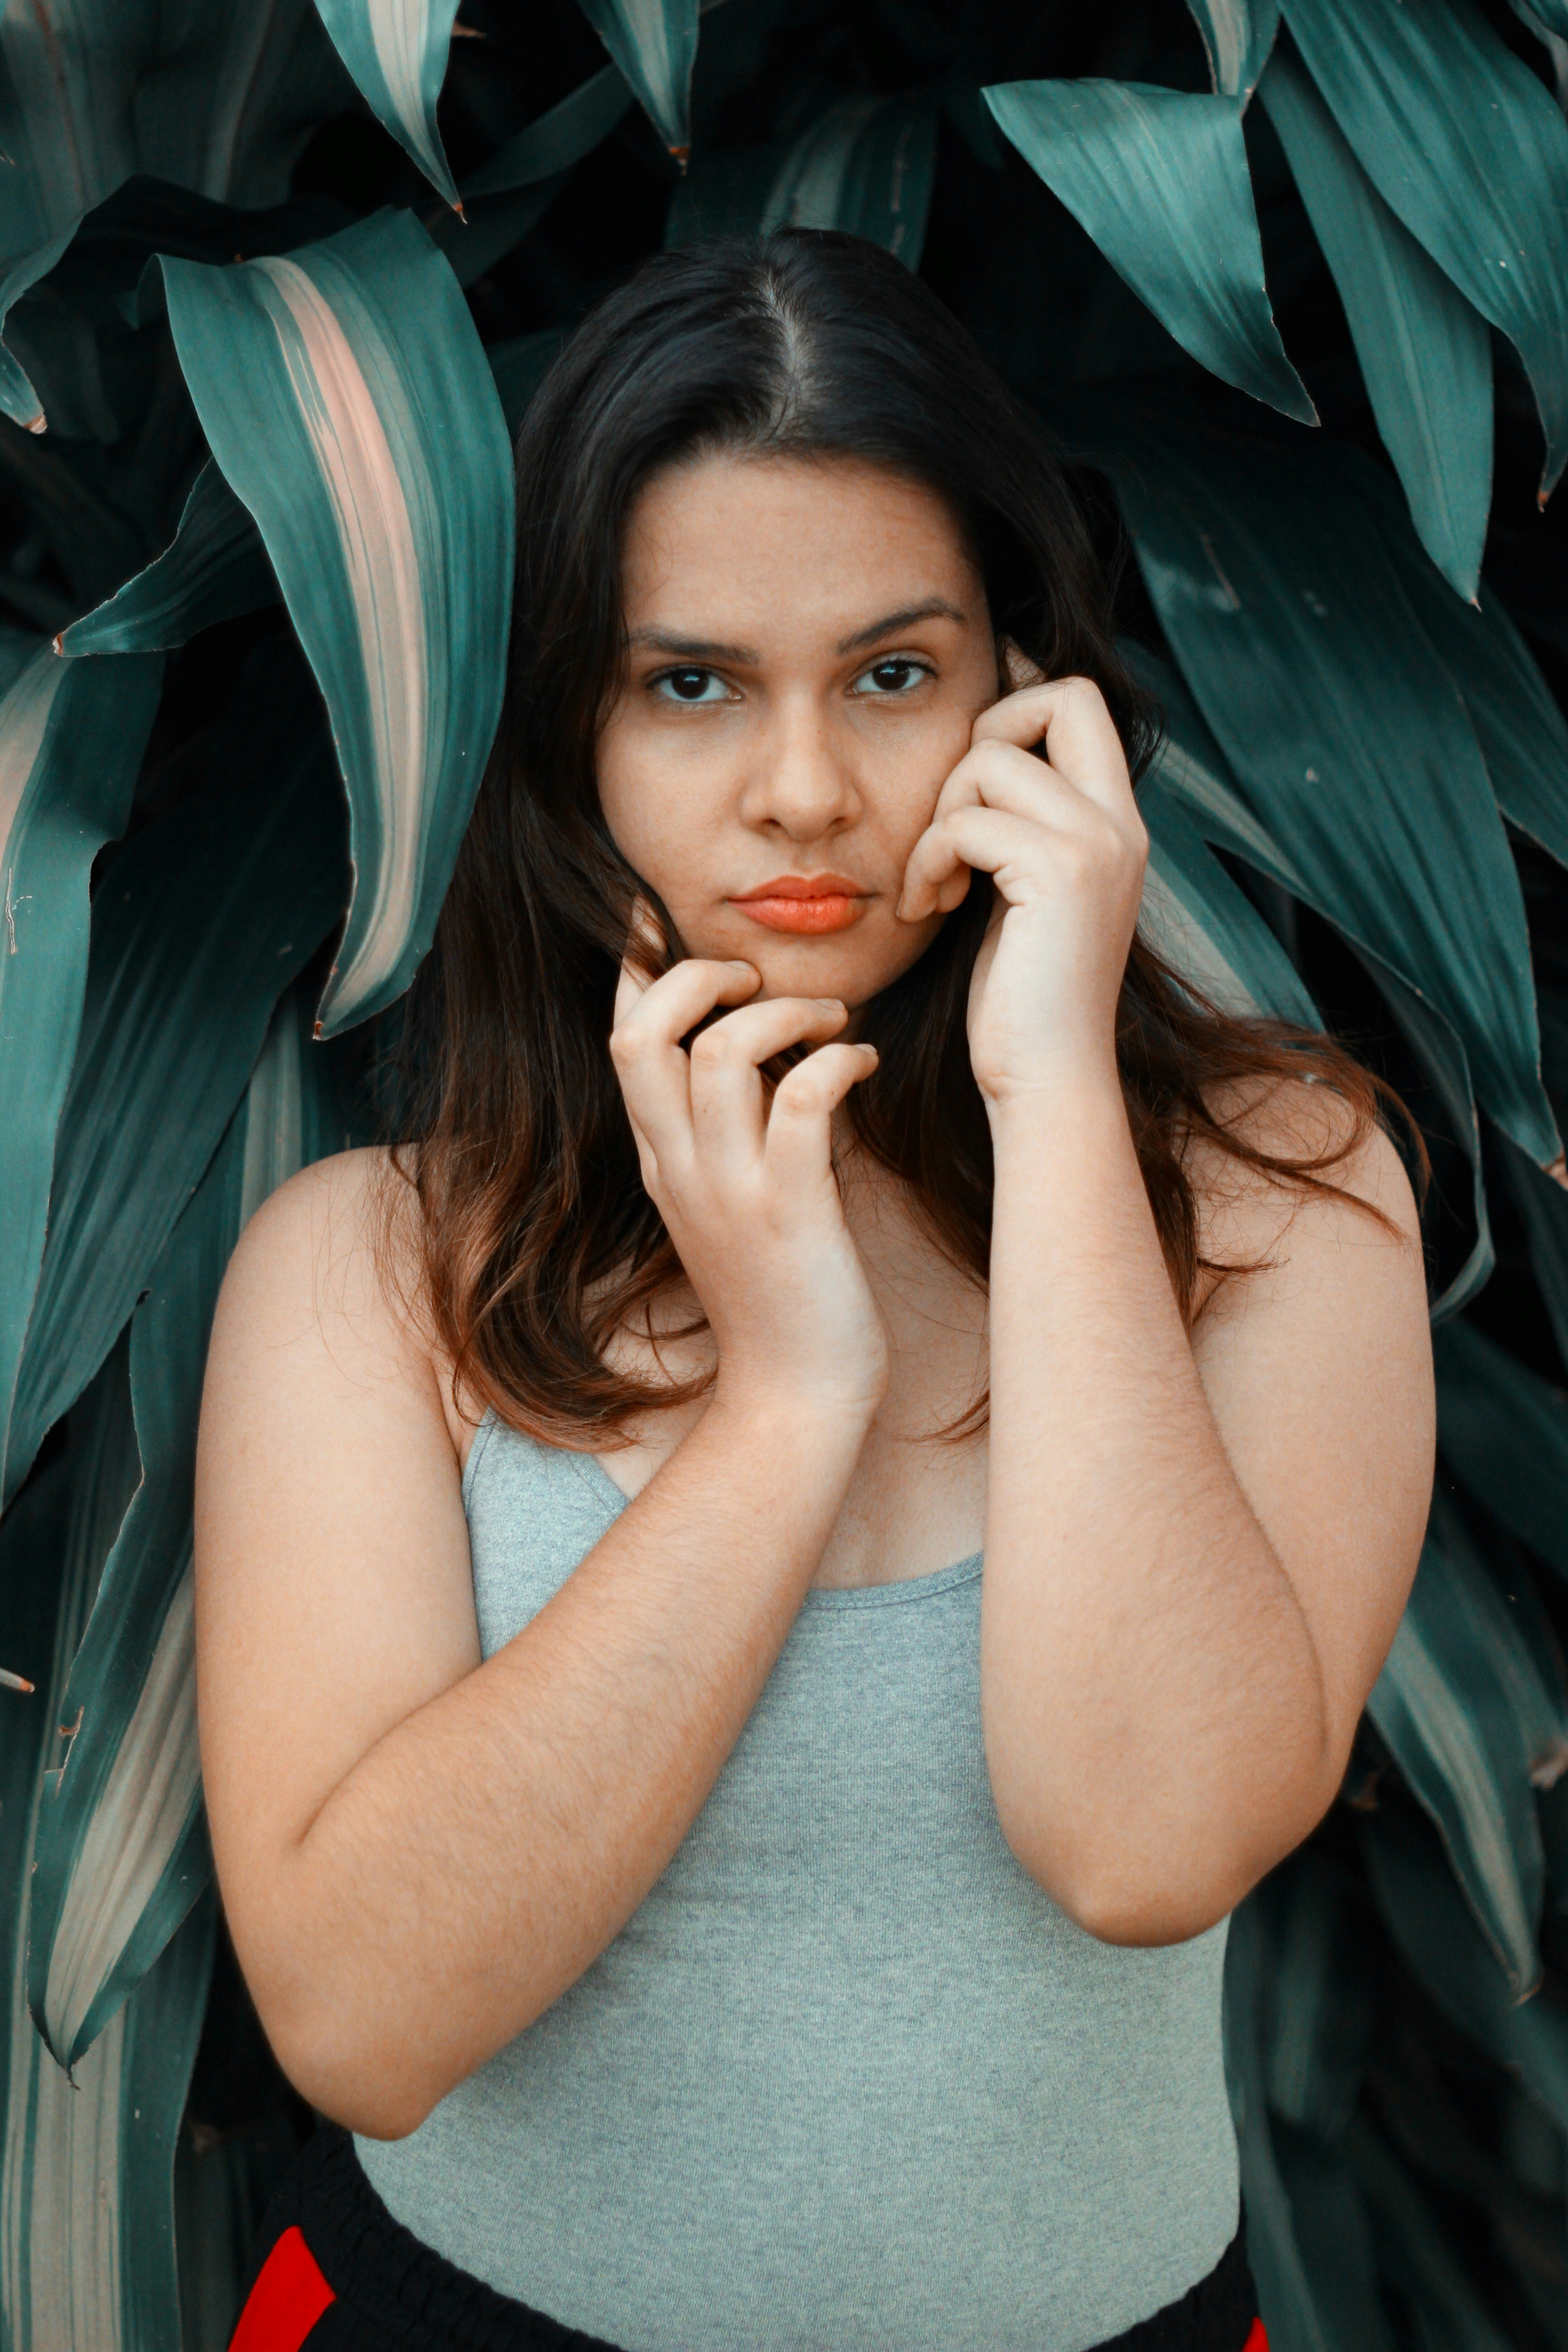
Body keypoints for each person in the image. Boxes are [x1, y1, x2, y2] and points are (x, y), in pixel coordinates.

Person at [196, 230, 1434, 2352]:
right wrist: (784, 1407)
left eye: (889, 672)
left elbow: (1145, 1845)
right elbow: (364, 2025)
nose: (803, 791)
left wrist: (1054, 1097)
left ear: (1024, 697)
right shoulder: (373, 1272)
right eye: (690, 681)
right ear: (567, 728)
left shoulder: (1285, 1202)